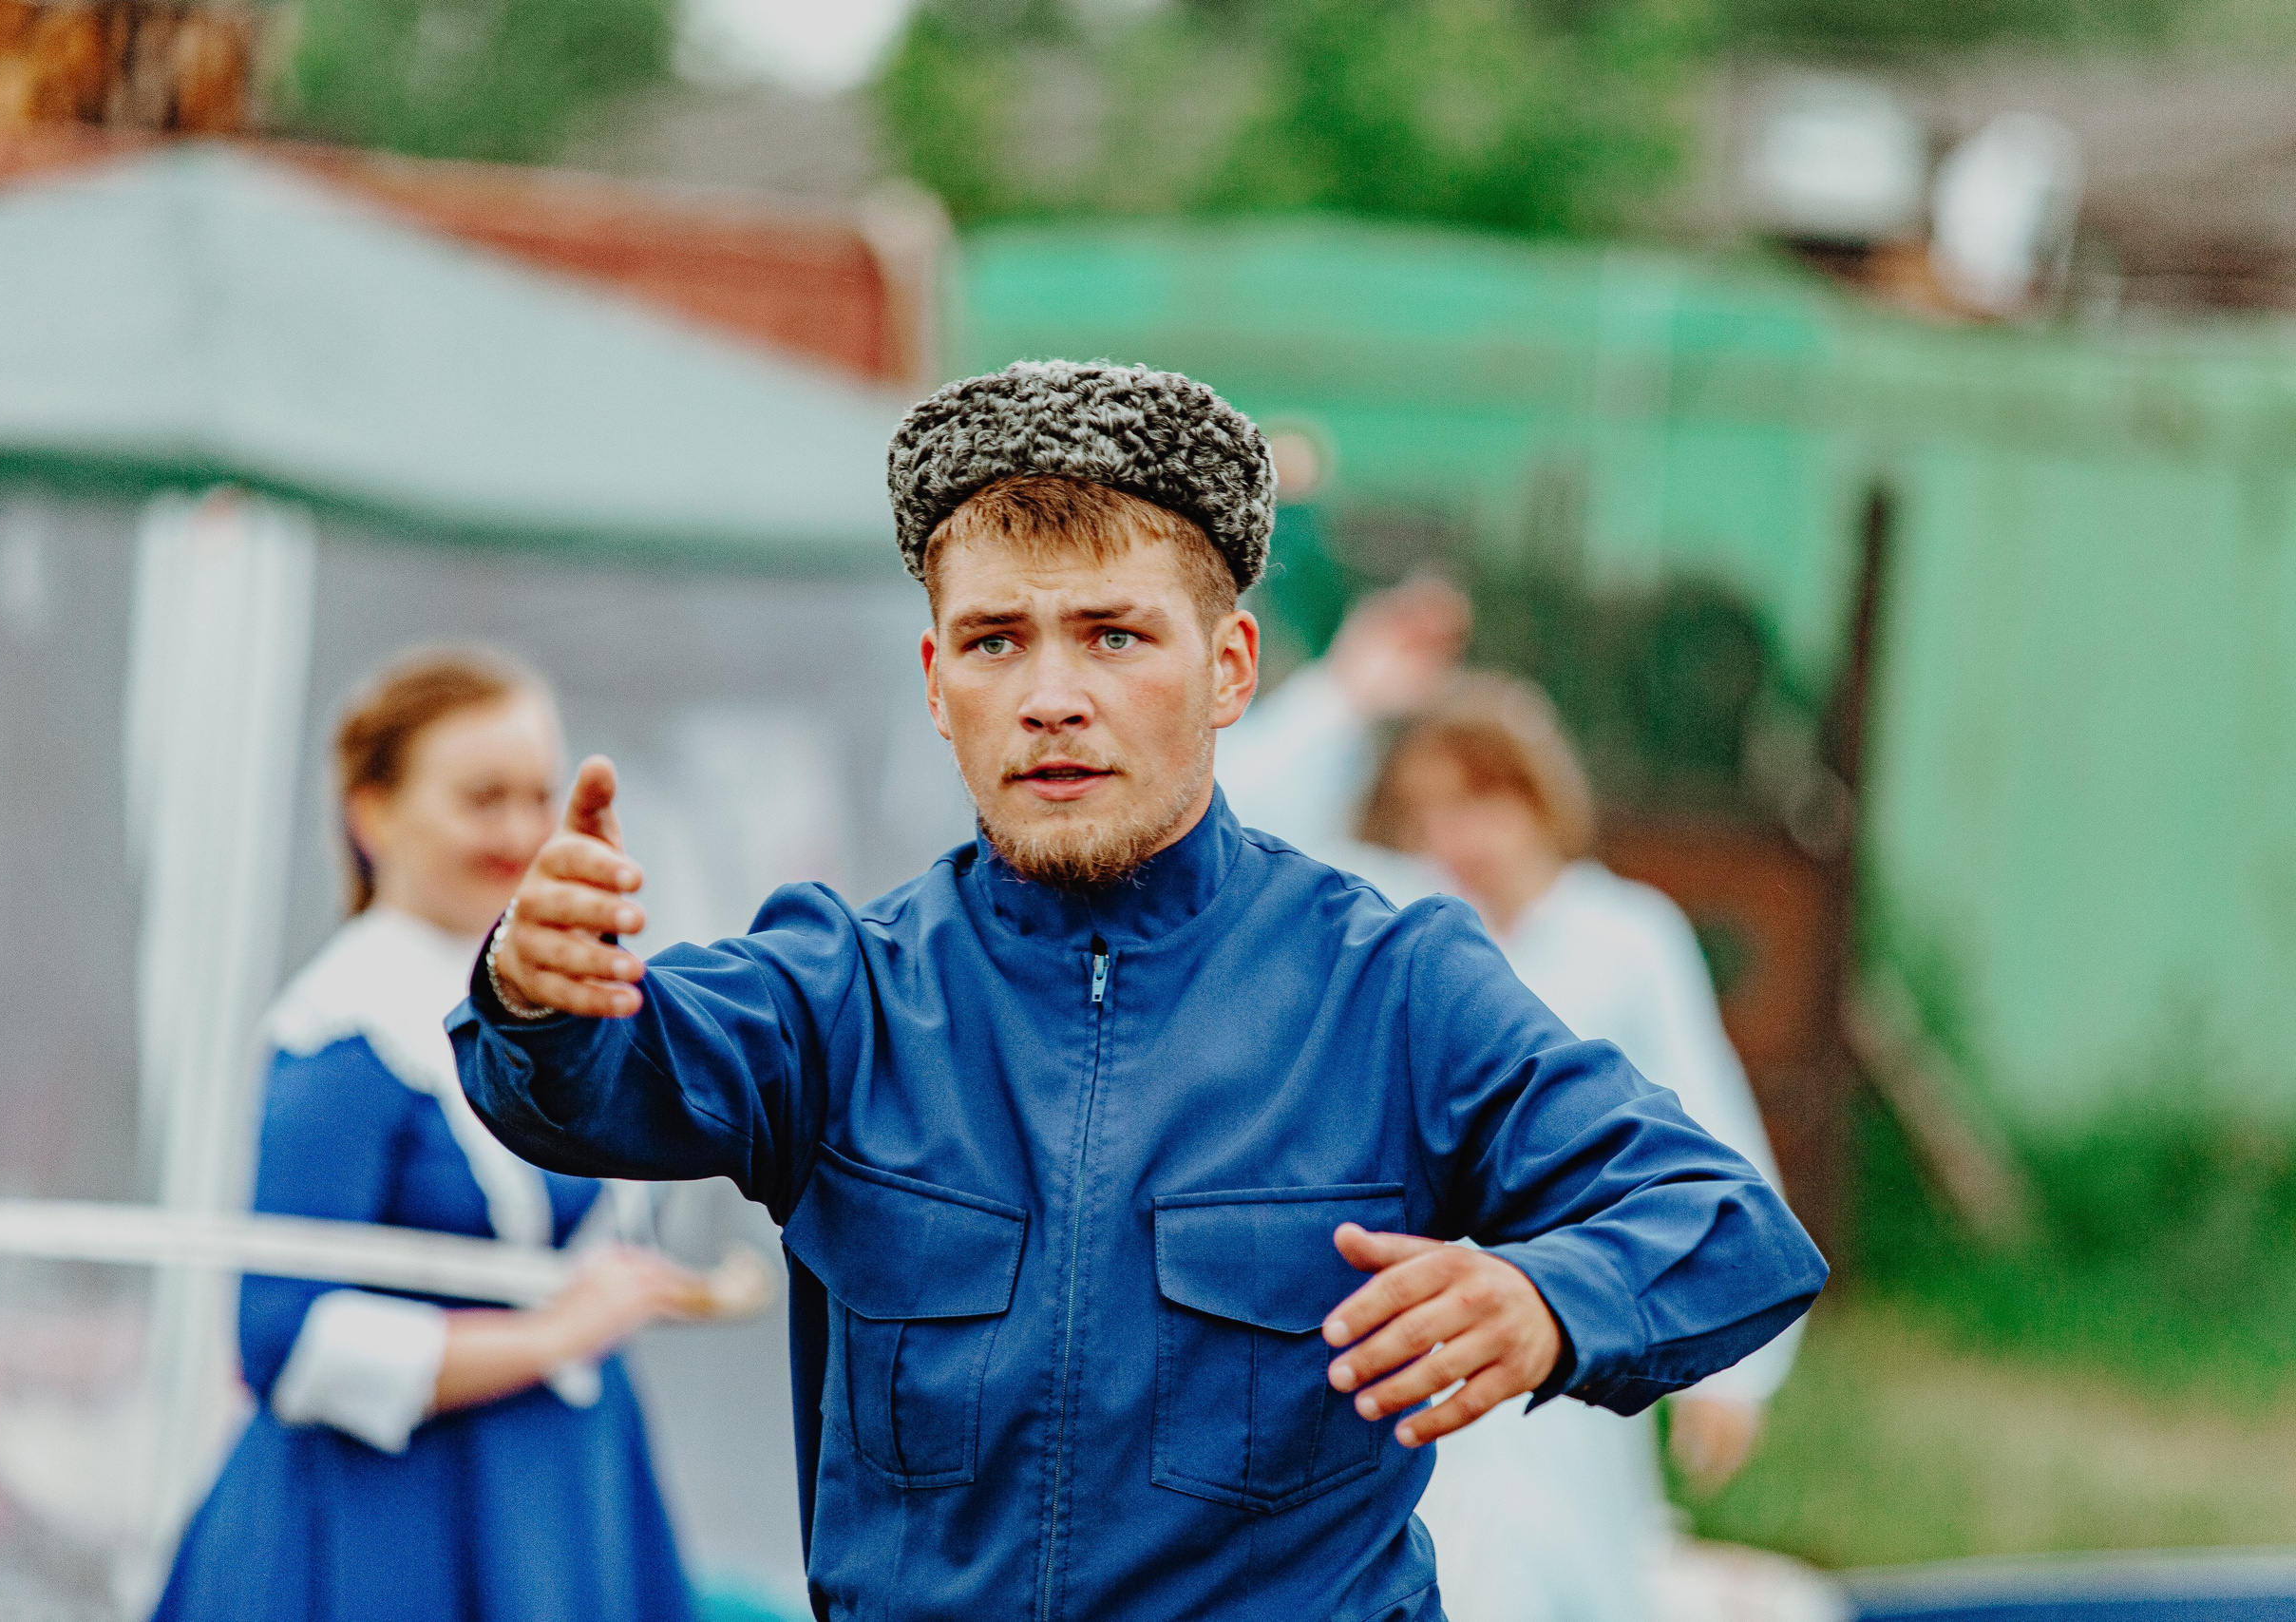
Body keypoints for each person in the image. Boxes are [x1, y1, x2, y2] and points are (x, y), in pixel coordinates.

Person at [451, 362, 1827, 1622]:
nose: (1050, 695)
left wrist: (1547, 1298)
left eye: (1113, 636)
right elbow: (589, 1079)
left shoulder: (1393, 988)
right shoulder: (843, 992)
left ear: (1229, 670)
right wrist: (536, 987)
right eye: (996, 640)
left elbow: (1727, 1228)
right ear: (934, 682)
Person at [1224, 588, 1807, 1622]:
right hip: (1408, 1324)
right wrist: (1348, 695)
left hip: (1563, 1325)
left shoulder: (1623, 937)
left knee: (1565, 1567)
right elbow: (1231, 823)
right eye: (1433, 809)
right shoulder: (1395, 918)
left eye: (1484, 802)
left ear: (1542, 801)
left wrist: (1735, 1374)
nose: (1459, 836)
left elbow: (1707, 1132)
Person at [154, 650, 711, 1622]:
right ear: (372, 815)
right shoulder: (341, 1032)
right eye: (482, 799)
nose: (520, 831)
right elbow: (281, 1337)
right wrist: (551, 1336)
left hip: (566, 1504)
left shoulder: (571, 990)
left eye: (536, 796)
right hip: (387, 1528)